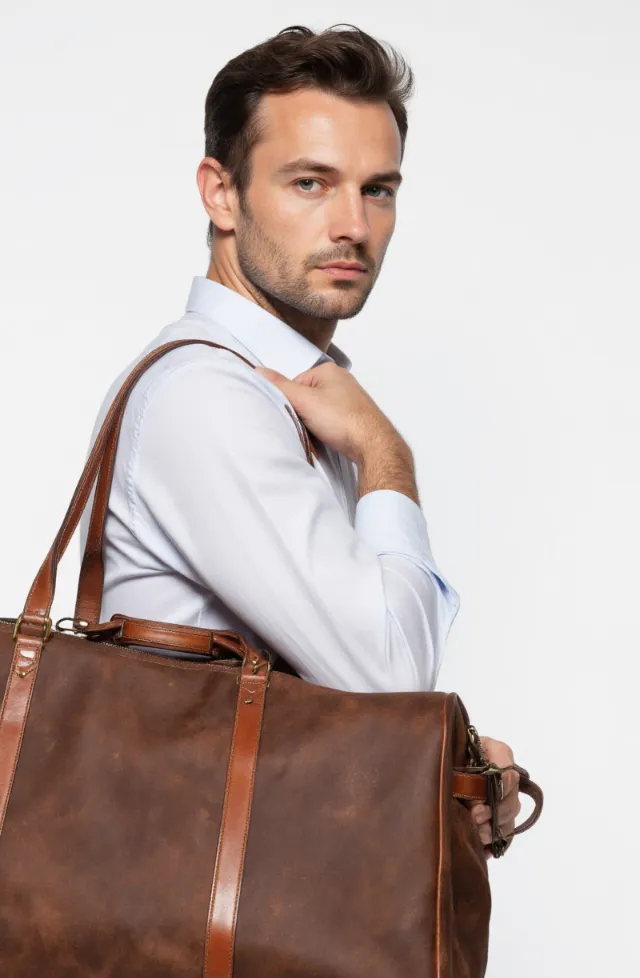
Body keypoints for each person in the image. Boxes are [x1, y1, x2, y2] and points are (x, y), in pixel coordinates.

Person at [79, 23, 520, 856]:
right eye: (311, 183)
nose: (353, 224)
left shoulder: (278, 395)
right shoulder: (206, 398)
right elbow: (385, 678)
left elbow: (299, 701)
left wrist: (448, 771)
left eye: (378, 189)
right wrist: (388, 457)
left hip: (244, 906)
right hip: (179, 918)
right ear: (220, 193)